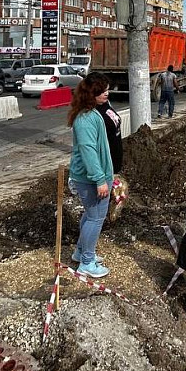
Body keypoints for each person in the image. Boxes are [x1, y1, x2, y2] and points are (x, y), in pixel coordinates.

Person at [67, 73, 115, 278]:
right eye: (102, 91)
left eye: (106, 89)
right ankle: (87, 262)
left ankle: (81, 252)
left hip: (92, 177)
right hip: (90, 178)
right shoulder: (86, 119)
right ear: (91, 93)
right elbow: (88, 151)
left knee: (90, 215)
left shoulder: (90, 112)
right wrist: (99, 179)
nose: (107, 93)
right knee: (96, 218)